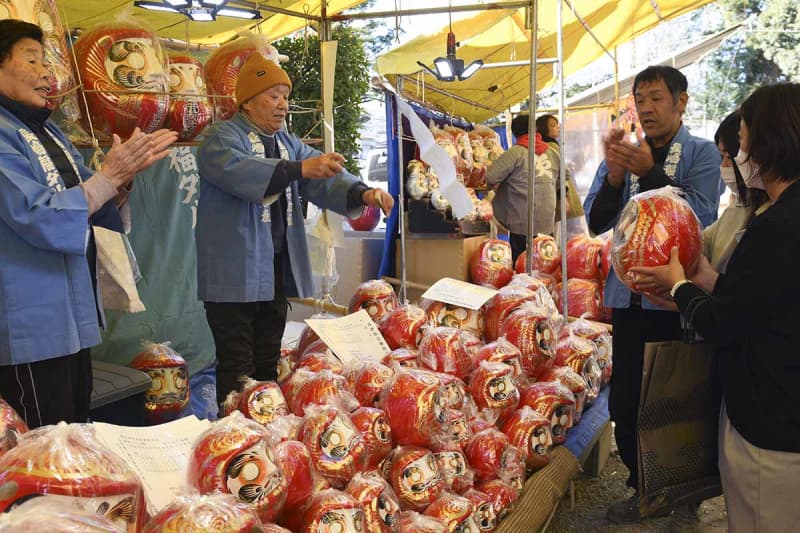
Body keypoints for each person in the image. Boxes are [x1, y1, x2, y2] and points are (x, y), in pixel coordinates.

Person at [631, 82, 800, 533]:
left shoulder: (779, 225)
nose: (739, 153)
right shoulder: (783, 215)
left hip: (772, 418)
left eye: (742, 139)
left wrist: (682, 287)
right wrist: (708, 279)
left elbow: (726, 321)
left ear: (771, 140)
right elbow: (763, 298)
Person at [0, 19, 177, 427]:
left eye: (46, 62)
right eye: (32, 60)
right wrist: (109, 177)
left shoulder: (52, 134)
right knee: (41, 449)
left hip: (71, 321)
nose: (47, 73)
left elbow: (92, 201)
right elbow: (38, 214)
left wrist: (122, 180)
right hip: (29, 325)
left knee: (76, 436)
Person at [196, 53, 393, 406]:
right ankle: (234, 438)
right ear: (247, 100)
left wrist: (365, 192)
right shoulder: (220, 139)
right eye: (273, 95)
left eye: (285, 96)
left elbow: (320, 178)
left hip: (273, 273)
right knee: (237, 368)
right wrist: (302, 169)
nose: (283, 105)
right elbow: (245, 173)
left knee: (267, 365)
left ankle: (268, 433)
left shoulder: (286, 142)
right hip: (233, 276)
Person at [582, 65, 722, 523]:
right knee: (626, 402)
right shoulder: (623, 154)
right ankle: (644, 490)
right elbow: (596, 223)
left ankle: (685, 494)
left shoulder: (701, 154)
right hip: (628, 301)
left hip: (679, 301)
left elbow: (701, 219)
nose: (646, 107)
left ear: (681, 101)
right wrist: (617, 177)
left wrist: (652, 172)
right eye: (640, 98)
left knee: (678, 401)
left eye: (657, 97)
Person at [485, 114, 553, 262]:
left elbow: (490, 176)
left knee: (521, 265)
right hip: (547, 223)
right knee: (545, 263)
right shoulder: (552, 152)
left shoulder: (515, 152)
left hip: (523, 222)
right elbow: (564, 176)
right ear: (535, 130)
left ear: (514, 133)